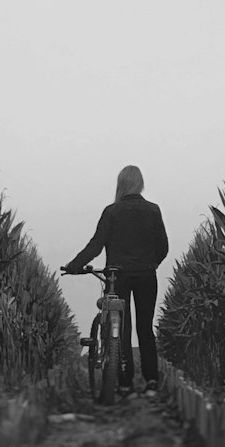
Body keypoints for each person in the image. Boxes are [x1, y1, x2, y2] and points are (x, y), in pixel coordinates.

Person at [64, 165, 169, 396]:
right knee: (145, 327)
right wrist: (150, 264)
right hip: (146, 275)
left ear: (120, 184)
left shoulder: (112, 211)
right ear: (140, 184)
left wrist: (74, 265)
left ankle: (125, 383)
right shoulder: (153, 210)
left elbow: (95, 244)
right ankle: (152, 382)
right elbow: (163, 247)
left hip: (117, 275)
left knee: (121, 327)